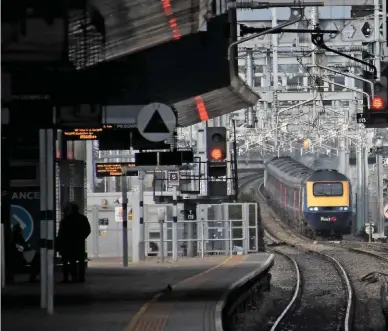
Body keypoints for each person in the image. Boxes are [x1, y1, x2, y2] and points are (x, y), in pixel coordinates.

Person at [57, 202, 91, 283]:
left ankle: (72, 276)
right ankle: (81, 277)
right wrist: (83, 236)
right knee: (81, 260)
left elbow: (61, 233)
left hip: (68, 243)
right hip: (79, 242)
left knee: (70, 261)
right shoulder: (83, 218)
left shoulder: (66, 219)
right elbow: (88, 229)